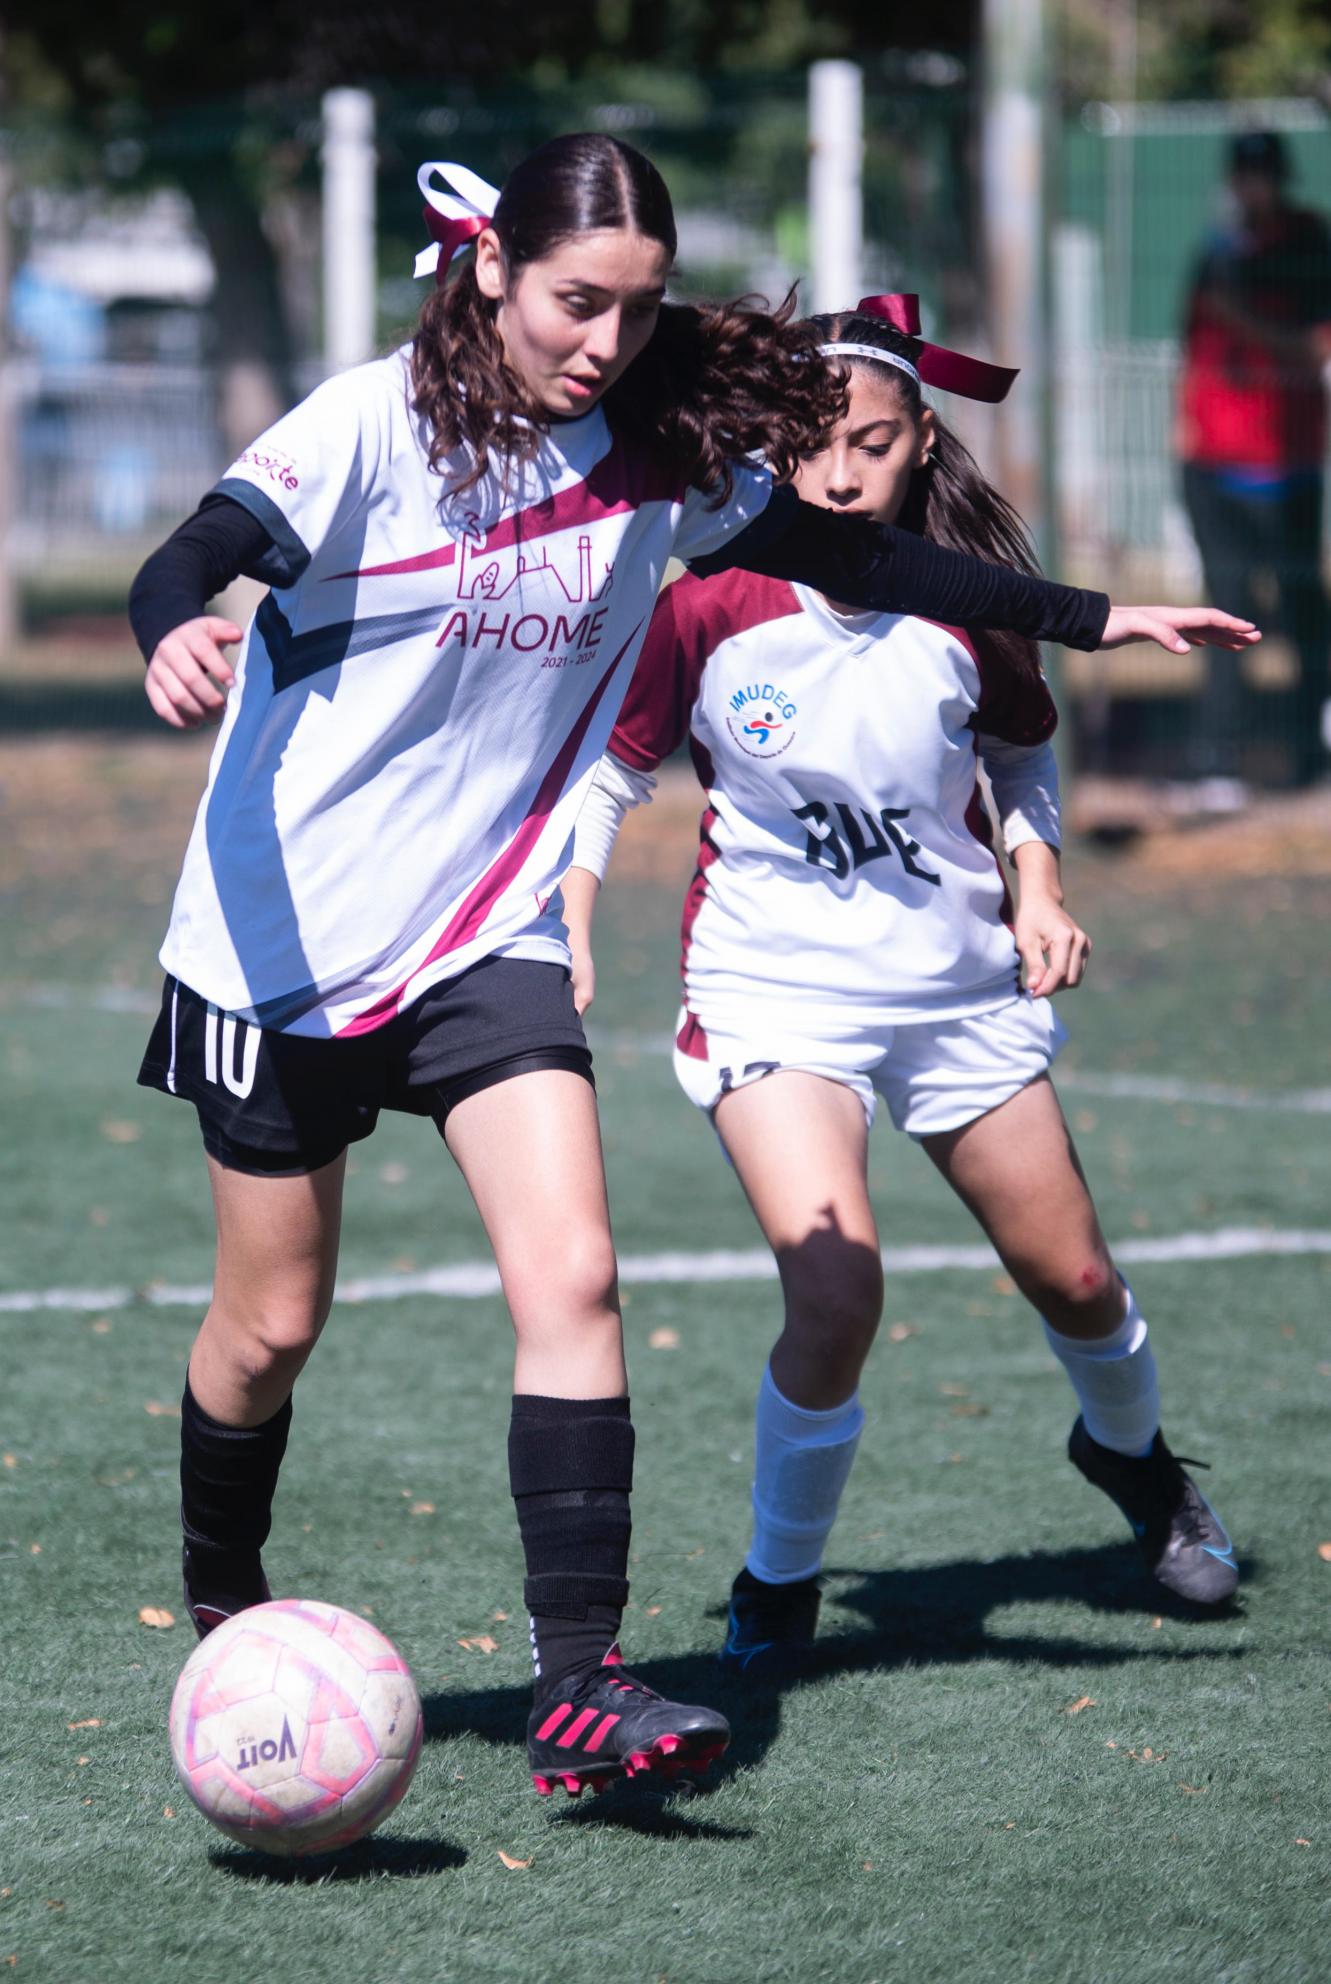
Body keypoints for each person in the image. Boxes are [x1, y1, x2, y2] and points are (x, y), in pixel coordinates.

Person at [129, 136, 1253, 1799]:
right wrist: (176, 624)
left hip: (485, 927)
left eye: (640, 311)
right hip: (280, 936)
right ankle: (227, 1592)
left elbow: (857, 560)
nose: (604, 340)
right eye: (579, 301)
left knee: (575, 1276)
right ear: (496, 267)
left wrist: (1090, 616)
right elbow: (196, 544)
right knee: (269, 1326)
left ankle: (581, 1682)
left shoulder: (653, 448)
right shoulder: (371, 422)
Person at [565, 295, 1240, 1677]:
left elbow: (1016, 756)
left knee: (1075, 1280)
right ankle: (778, 1580)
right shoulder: (705, 595)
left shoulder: (959, 599)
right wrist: (566, 919)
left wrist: (1038, 885)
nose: (838, 472)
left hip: (951, 988)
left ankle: (1139, 1467)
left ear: (917, 440)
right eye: (810, 445)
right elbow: (608, 771)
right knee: (837, 1290)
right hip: (772, 989)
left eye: (870, 443)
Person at [1177, 127, 1331, 798]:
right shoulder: (1215, 252)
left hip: (1287, 462)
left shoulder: (1307, 247)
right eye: (1242, 175)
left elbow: (1310, 348)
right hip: (1212, 462)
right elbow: (1194, 346)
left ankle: (1309, 750)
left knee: (1300, 608)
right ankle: (1218, 759)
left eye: (1261, 174)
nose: (1250, 188)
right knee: (1226, 608)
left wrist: (1241, 318)